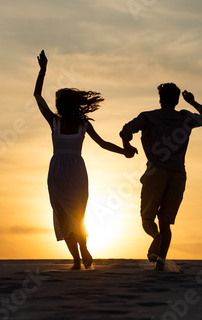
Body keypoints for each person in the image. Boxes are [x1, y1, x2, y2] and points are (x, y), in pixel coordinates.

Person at [34, 50, 137, 270]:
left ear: (62, 106)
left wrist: (43, 71)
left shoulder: (58, 122)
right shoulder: (74, 124)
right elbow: (103, 144)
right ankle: (80, 255)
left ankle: (78, 259)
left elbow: (37, 97)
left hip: (62, 171)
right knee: (71, 215)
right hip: (73, 171)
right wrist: (124, 152)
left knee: (68, 215)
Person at [120, 83, 202, 270]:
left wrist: (127, 147)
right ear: (178, 100)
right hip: (178, 174)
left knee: (148, 219)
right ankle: (160, 263)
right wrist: (193, 102)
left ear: (160, 99)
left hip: (156, 173)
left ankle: (155, 239)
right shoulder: (186, 117)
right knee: (165, 222)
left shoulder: (148, 117)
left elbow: (125, 130)